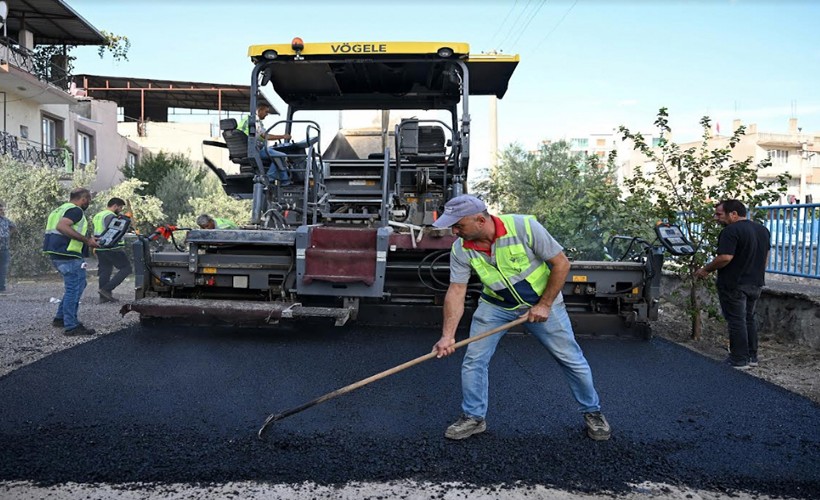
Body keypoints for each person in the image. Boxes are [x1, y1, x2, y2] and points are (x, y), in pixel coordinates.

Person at [431, 194, 611, 441]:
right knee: (474, 360)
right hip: (495, 307)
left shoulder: (524, 227)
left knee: (570, 358)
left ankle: (593, 412)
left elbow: (561, 264)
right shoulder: (460, 248)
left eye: (458, 225)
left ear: (480, 220)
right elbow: (457, 290)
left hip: (542, 305)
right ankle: (473, 417)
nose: (454, 231)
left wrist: (545, 304)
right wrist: (447, 336)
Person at [695, 199, 771, 370]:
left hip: (734, 283)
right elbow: (765, 257)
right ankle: (752, 356)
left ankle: (738, 359)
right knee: (749, 319)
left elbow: (725, 257)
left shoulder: (731, 231)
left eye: (719, 214)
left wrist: (705, 270)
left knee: (736, 320)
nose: (716, 218)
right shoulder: (762, 230)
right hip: (755, 283)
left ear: (734, 214)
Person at [43, 188, 100, 336]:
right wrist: (87, 241)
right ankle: (71, 325)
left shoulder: (59, 209)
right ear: (83, 199)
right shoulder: (75, 210)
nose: (89, 202)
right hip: (68, 254)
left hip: (56, 253)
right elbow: (62, 226)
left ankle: (60, 318)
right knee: (74, 288)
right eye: (89, 199)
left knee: (79, 284)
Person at [237, 103, 295, 184]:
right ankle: (273, 178)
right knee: (281, 155)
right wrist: (283, 136)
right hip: (254, 151)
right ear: (259, 110)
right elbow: (265, 136)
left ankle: (282, 180)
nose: (267, 114)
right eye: (266, 112)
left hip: (247, 150)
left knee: (275, 156)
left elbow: (260, 136)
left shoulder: (247, 120)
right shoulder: (254, 120)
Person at [92, 197, 133, 303]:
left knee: (105, 270)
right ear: (115, 206)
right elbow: (114, 231)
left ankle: (104, 297)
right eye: (120, 207)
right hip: (112, 247)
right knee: (126, 268)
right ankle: (106, 290)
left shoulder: (98, 215)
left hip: (99, 246)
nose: (120, 210)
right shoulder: (111, 216)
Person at [0, 201, 18, 294]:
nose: (1, 210)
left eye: (2, 208)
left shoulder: (5, 220)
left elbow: (14, 227)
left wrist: (7, 234)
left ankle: (1, 288)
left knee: (3, 268)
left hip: (4, 248)